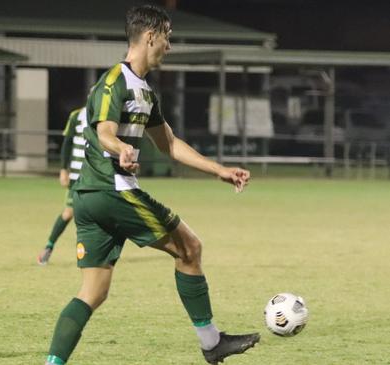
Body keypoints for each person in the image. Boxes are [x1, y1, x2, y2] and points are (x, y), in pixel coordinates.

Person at [44, 6, 259, 365]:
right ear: (150, 37)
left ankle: (52, 363)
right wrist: (122, 148)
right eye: (168, 37)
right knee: (189, 248)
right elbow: (104, 132)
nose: (169, 47)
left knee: (93, 292)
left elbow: (169, 144)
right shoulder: (115, 81)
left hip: (89, 198)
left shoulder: (145, 91)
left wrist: (218, 169)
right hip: (112, 191)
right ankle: (211, 343)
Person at [37, 107, 87, 265]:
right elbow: (67, 143)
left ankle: (92, 252)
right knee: (69, 212)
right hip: (77, 175)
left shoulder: (109, 116)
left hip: (99, 175)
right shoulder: (77, 115)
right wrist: (64, 169)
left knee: (97, 214)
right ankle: (48, 247)